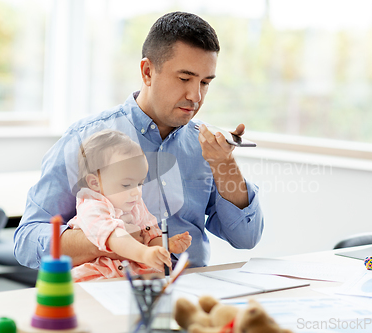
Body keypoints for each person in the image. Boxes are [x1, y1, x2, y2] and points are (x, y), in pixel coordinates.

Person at [14, 11, 264, 269]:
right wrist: (110, 238)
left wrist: (226, 167)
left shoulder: (209, 148)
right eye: (184, 78)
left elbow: (246, 238)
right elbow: (28, 240)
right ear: (147, 72)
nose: (195, 96)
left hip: (189, 290)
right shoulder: (85, 139)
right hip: (109, 291)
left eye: (205, 82)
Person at [69, 129, 191, 281]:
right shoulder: (91, 205)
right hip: (98, 273)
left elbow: (149, 234)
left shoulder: (135, 204)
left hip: (132, 274)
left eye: (139, 183)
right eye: (126, 184)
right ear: (95, 183)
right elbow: (114, 236)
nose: (136, 193)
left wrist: (165, 246)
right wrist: (144, 254)